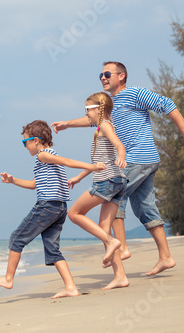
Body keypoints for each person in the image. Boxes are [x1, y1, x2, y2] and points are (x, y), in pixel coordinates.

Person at [52, 61, 184, 276]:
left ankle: (121, 248)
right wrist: (67, 123)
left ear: (121, 76)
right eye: (101, 75)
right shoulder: (111, 104)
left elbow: (167, 104)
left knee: (113, 199)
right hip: (146, 161)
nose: (103, 78)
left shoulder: (135, 93)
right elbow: (95, 119)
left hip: (137, 158)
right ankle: (166, 257)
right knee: (145, 208)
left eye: (107, 74)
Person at [0, 120, 106, 298]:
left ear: (36, 140)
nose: (25, 146)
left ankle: (8, 278)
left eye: (25, 142)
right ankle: (71, 287)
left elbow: (67, 161)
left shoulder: (43, 155)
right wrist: (13, 181)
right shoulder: (48, 158)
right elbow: (33, 184)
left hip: (47, 206)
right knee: (52, 250)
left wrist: (91, 167)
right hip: (59, 208)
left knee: (16, 239)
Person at [66, 91, 129, 290]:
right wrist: (79, 176)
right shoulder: (103, 126)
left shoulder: (105, 126)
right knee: (103, 227)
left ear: (99, 109)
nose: (86, 114)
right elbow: (97, 162)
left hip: (107, 182)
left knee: (74, 213)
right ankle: (120, 276)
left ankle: (111, 241)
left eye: (87, 110)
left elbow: (119, 145)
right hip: (118, 182)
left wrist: (121, 156)